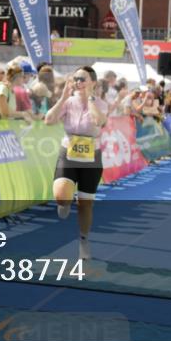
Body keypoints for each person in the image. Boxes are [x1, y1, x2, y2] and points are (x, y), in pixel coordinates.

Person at [44, 66, 108, 260]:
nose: (79, 82)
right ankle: (63, 203)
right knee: (62, 197)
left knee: (85, 205)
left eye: (83, 79)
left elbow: (100, 121)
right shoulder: (68, 102)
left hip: (91, 157)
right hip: (69, 153)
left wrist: (90, 99)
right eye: (76, 79)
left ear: (93, 83)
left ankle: (83, 241)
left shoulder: (101, 103)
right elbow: (48, 120)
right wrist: (63, 97)